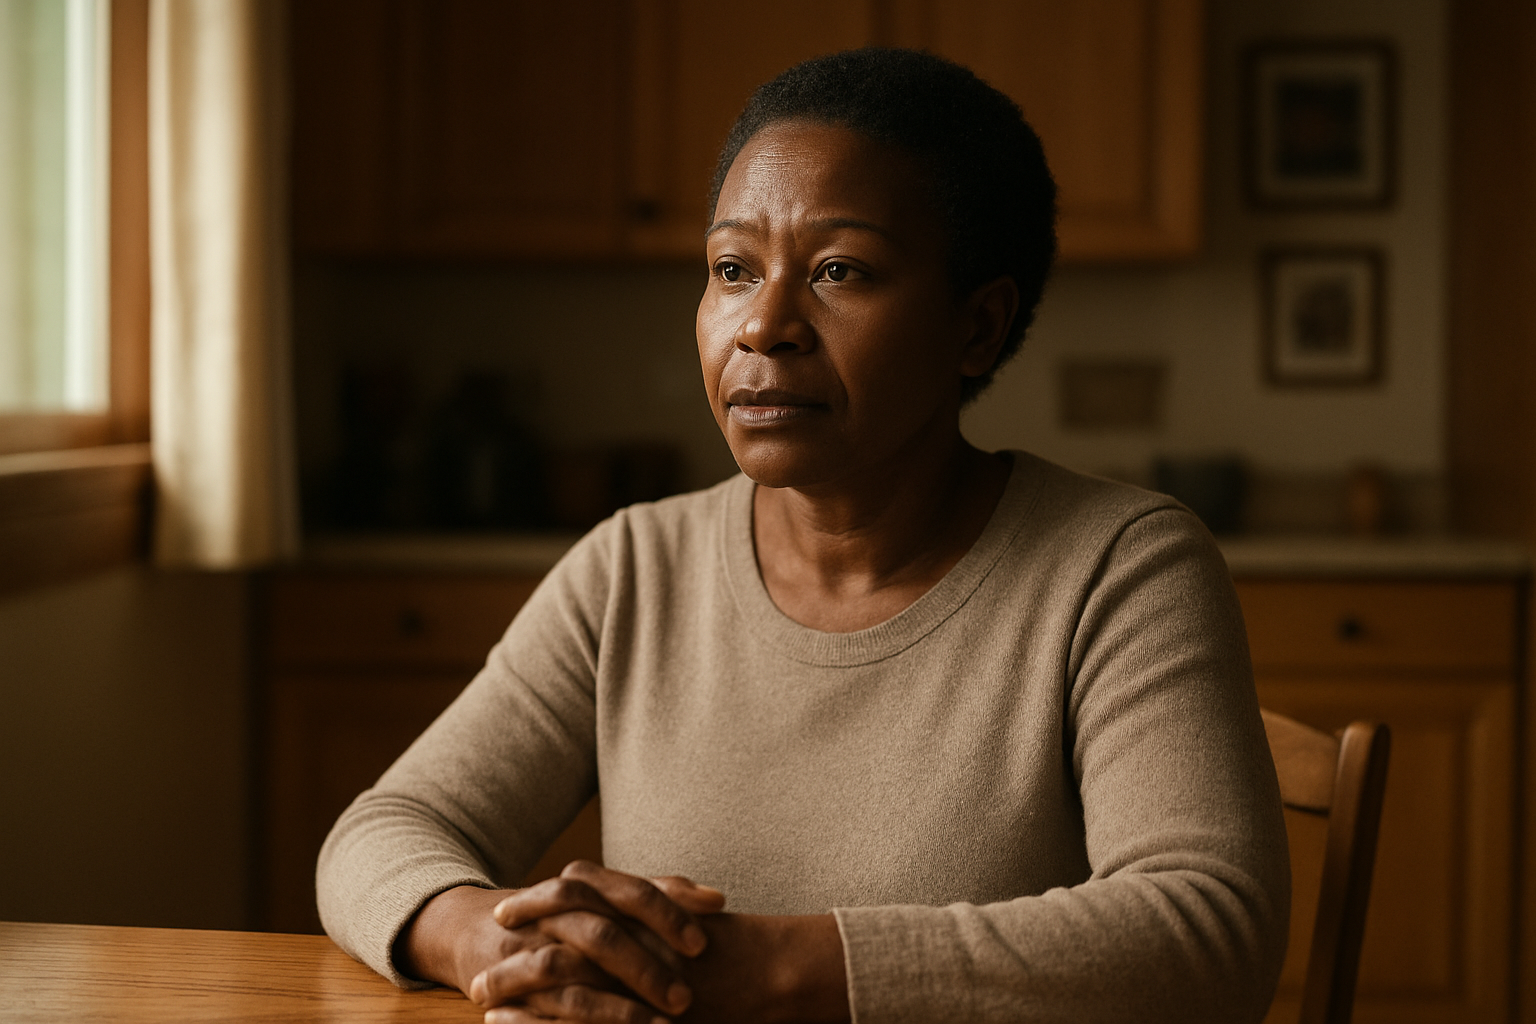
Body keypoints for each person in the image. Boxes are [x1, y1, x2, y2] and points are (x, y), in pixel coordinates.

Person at [318, 47, 1290, 1024]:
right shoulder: (632, 571)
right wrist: (500, 939)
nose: (764, 325)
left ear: (978, 327)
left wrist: (767, 970)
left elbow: (1206, 934)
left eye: (840, 271)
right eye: (733, 269)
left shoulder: (1120, 566)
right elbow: (381, 832)